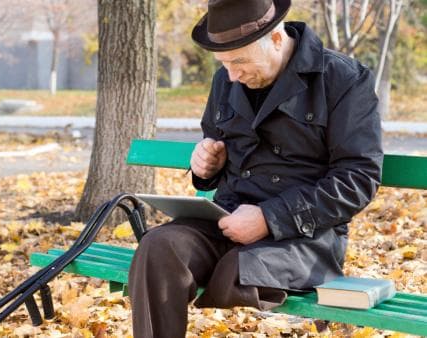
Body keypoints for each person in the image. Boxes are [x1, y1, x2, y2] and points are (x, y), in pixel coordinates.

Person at [129, 0, 383, 336]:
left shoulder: (344, 80)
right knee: (158, 247)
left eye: (239, 61)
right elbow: (214, 145)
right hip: (227, 221)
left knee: (239, 266)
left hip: (304, 238)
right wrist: (207, 164)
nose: (231, 75)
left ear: (276, 40)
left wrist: (269, 218)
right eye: (223, 63)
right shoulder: (227, 79)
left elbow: (358, 179)